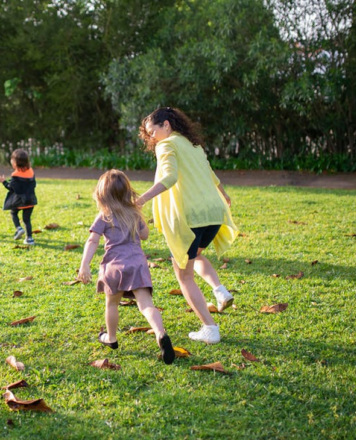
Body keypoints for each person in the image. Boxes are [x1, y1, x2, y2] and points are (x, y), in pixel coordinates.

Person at [138, 107, 239, 345]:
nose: (152, 138)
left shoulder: (167, 145)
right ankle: (219, 290)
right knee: (194, 256)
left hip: (191, 217)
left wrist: (141, 199)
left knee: (183, 275)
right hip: (213, 213)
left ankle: (210, 328)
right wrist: (224, 195)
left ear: (166, 125)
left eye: (153, 131)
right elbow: (211, 174)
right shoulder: (194, 145)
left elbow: (170, 178)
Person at [77, 169, 175, 365]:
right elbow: (145, 235)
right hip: (137, 263)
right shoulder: (133, 213)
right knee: (146, 305)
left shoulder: (104, 215)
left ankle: (111, 338)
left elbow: (92, 240)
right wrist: (139, 216)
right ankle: (160, 333)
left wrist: (84, 265)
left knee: (111, 303)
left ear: (102, 195)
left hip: (114, 265)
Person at [0, 149, 37, 245]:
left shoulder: (15, 175)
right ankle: (29, 239)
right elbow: (33, 184)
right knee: (27, 220)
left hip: (20, 202)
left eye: (12, 159)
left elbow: (11, 188)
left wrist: (3, 181)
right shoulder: (31, 172)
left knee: (13, 213)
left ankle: (19, 228)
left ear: (15, 162)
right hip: (31, 201)